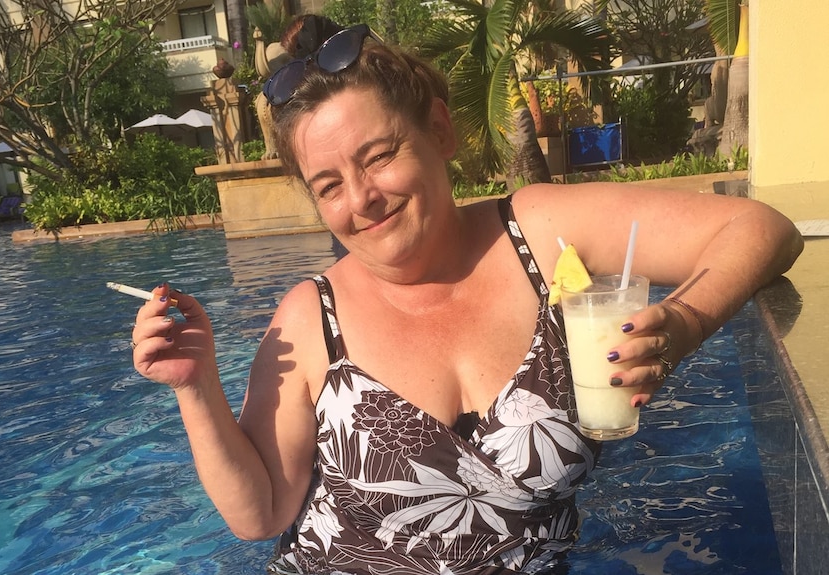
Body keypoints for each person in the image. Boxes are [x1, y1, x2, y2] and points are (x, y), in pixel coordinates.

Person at [130, 22, 804, 575]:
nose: (361, 198)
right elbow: (262, 515)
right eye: (329, 184)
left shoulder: (537, 234)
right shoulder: (311, 319)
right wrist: (196, 387)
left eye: (379, 155)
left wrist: (683, 322)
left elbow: (762, 230)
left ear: (441, 133)